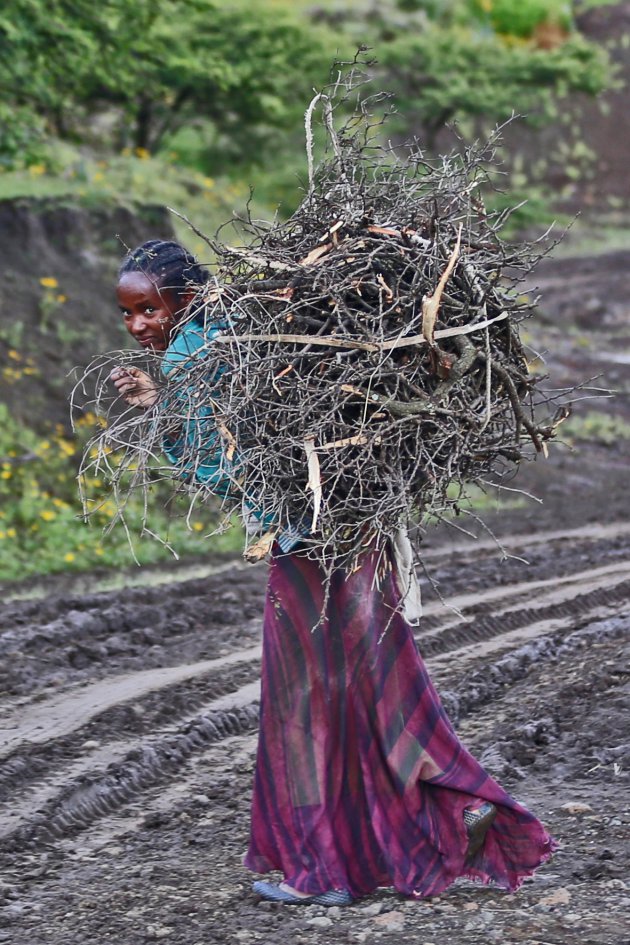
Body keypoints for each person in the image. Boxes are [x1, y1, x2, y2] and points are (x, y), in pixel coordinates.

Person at [111, 239, 557, 907]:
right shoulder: (255, 323)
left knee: (303, 704)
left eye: (150, 307)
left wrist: (160, 408)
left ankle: (321, 870)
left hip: (306, 547)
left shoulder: (196, 353)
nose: (140, 325)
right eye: (129, 314)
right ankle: (455, 805)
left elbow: (230, 474)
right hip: (363, 528)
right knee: (383, 681)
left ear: (187, 297)